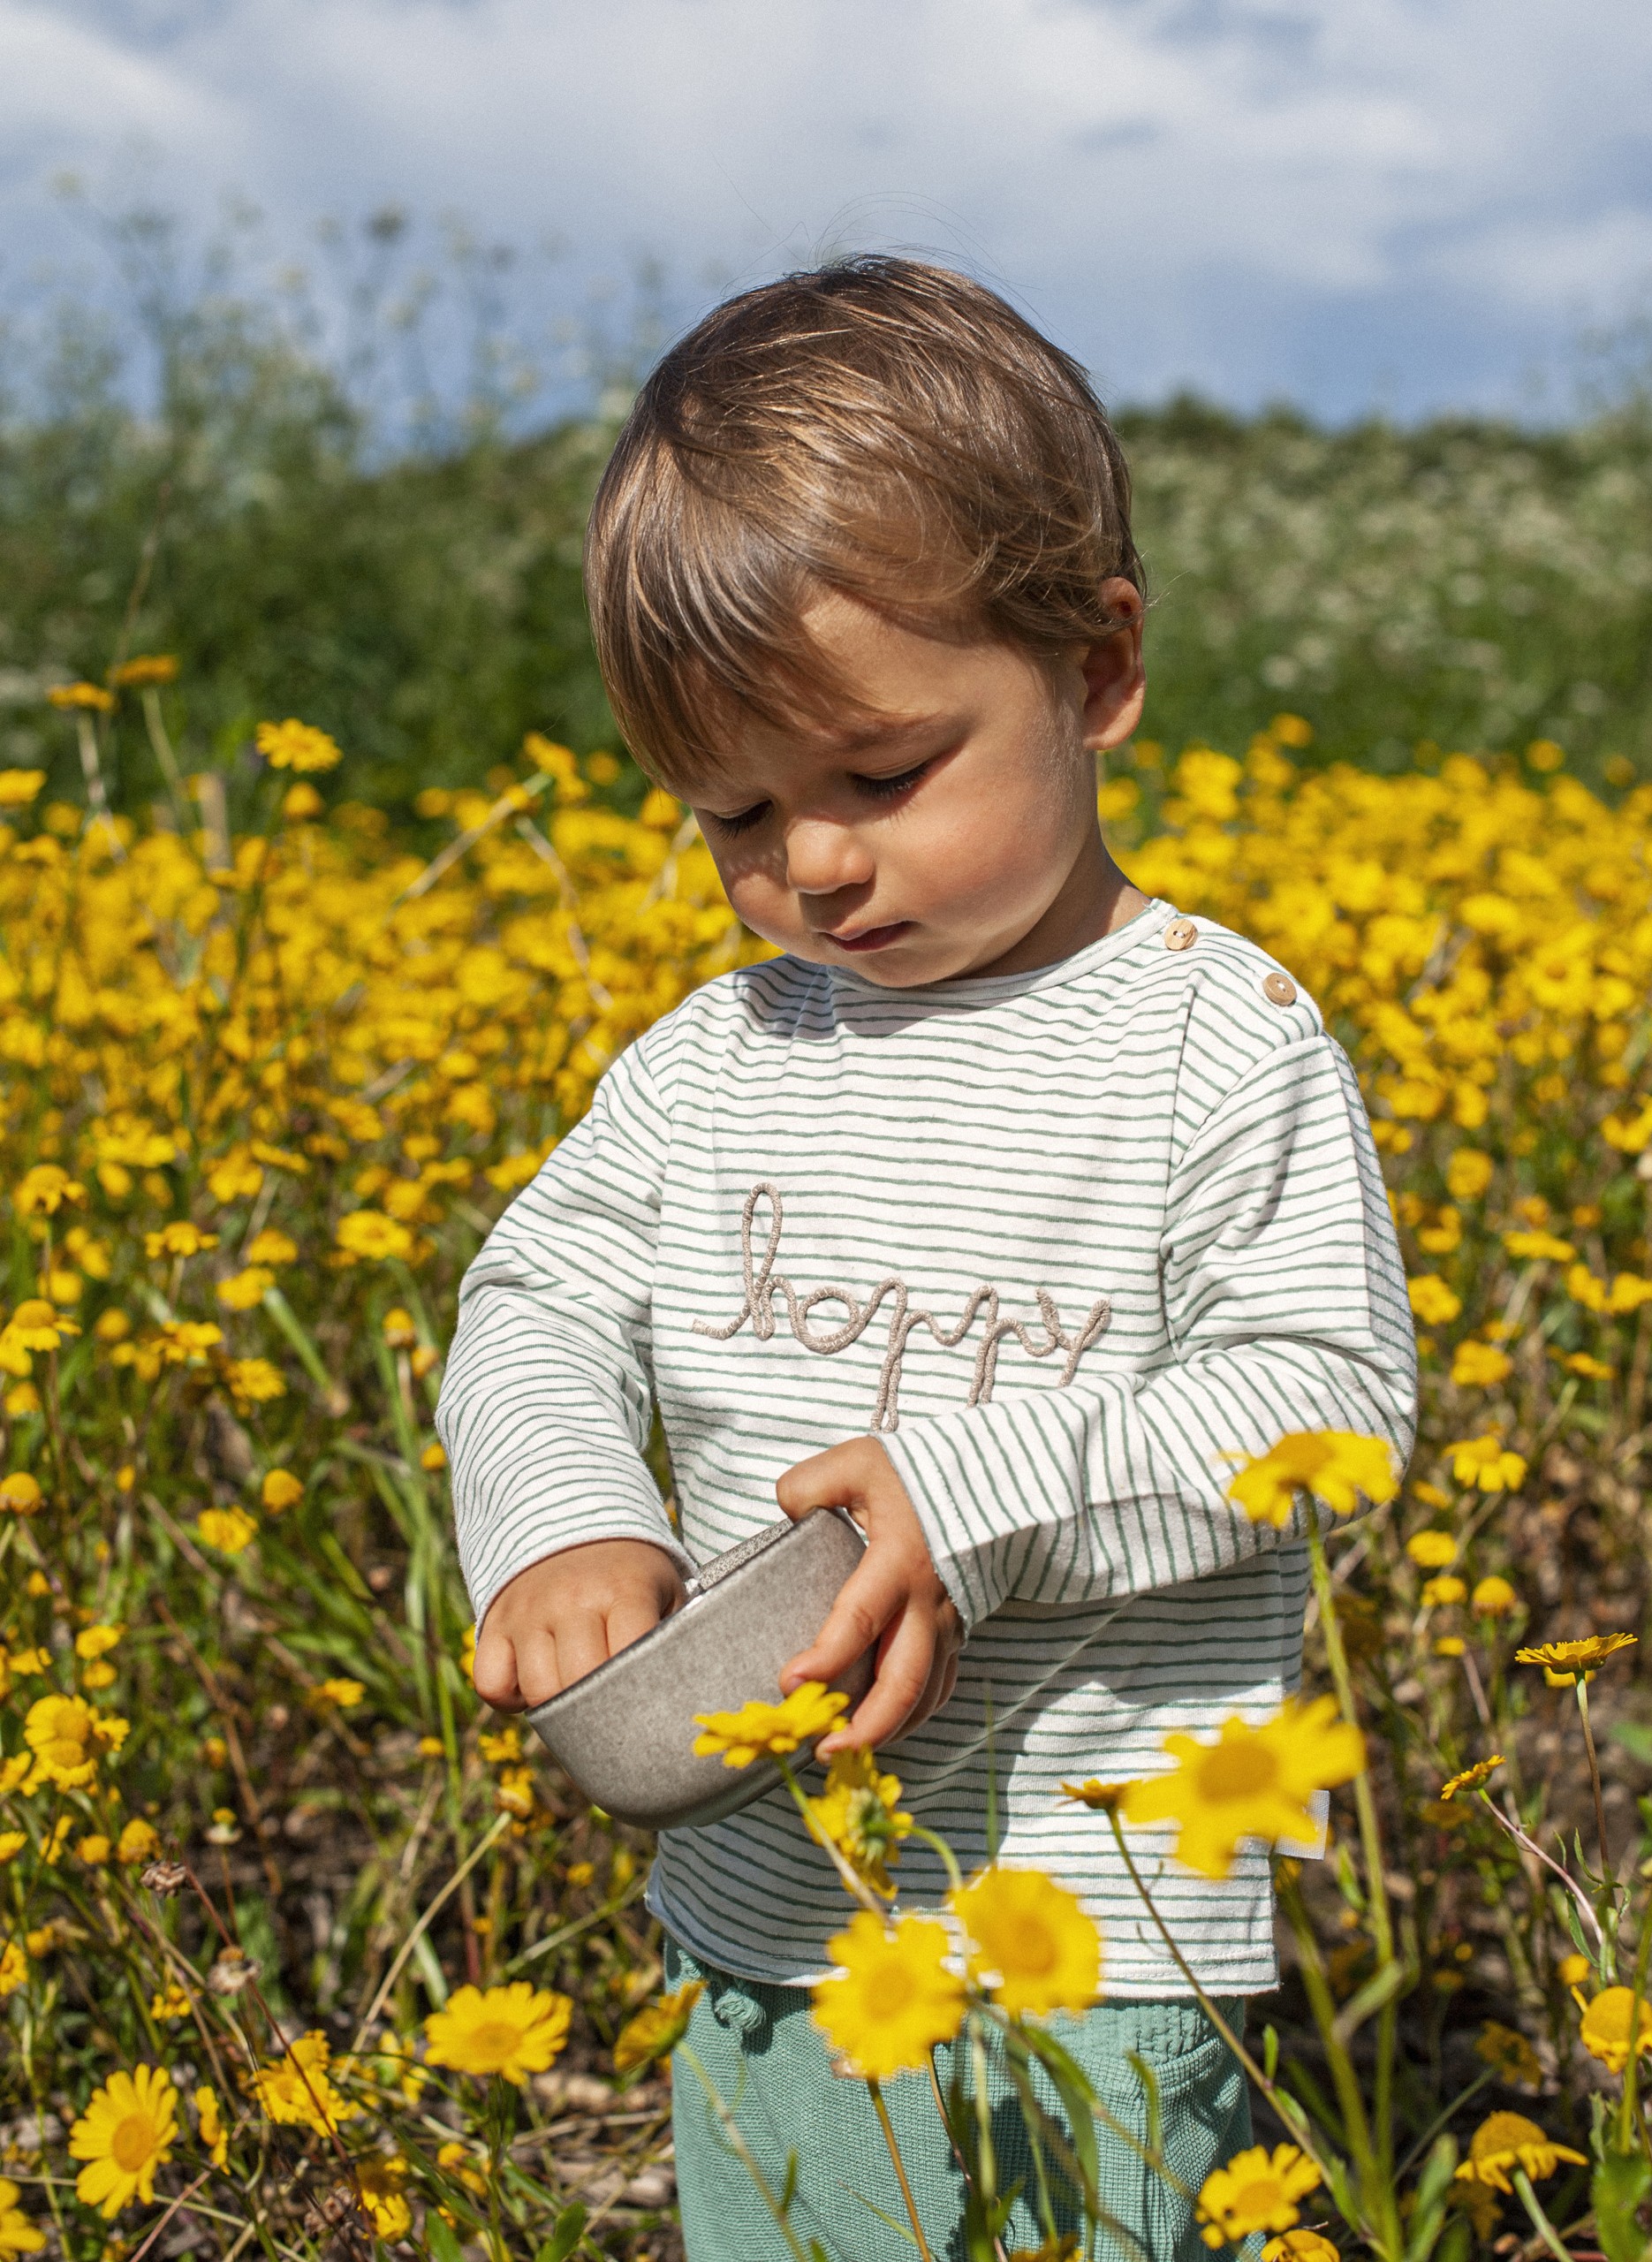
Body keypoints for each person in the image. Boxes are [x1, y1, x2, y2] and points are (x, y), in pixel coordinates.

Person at [437, 255, 1416, 2259]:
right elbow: (533, 1300)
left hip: (1107, 1939)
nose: (808, 862)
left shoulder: (1214, 1038)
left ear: (1098, 666)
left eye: (881, 774)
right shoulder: (711, 1062)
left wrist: (973, 1502)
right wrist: (557, 1519)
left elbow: (1332, 1394)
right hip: (764, 1922)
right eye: (732, 808)